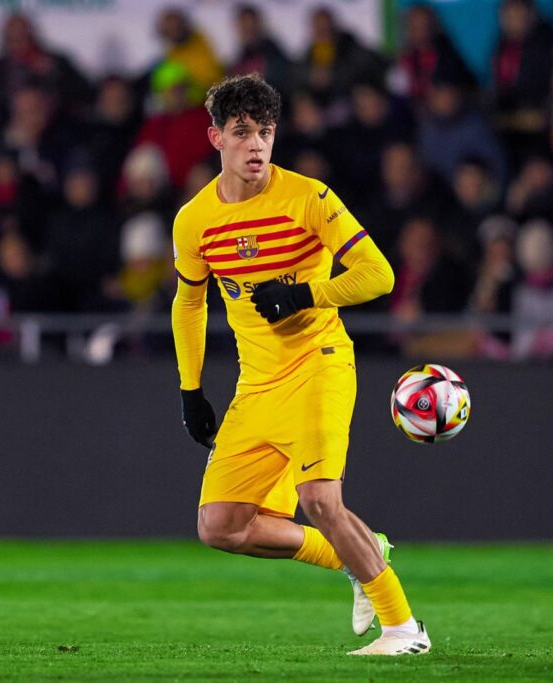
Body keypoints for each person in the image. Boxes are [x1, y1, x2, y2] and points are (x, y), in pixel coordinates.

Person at [171, 74, 429, 656]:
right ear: (216, 138)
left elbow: (379, 274)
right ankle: (360, 552)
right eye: (242, 133)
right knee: (221, 525)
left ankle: (404, 629)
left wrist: (309, 295)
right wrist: (191, 390)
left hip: (319, 362)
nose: (257, 145)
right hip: (256, 383)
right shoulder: (194, 220)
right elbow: (189, 303)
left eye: (265, 131)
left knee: (319, 500)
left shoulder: (309, 197)